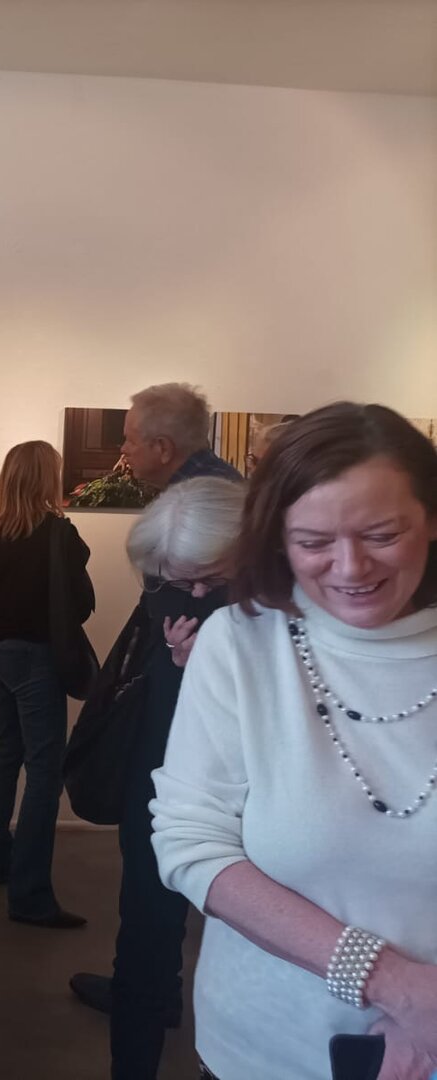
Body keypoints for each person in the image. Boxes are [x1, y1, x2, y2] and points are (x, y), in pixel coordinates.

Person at [151, 404, 437, 1080]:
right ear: (277, 540)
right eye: (313, 541)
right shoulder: (241, 644)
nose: (350, 567)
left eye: (381, 534)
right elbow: (192, 843)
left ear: (430, 518)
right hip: (262, 1052)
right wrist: (393, 984)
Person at [69, 477, 245, 1079]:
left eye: (210, 580)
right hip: (159, 785)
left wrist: (218, 674)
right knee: (145, 935)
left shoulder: (283, 613)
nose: (193, 594)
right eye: (175, 580)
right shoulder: (167, 592)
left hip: (247, 805)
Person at [0, 440, 95, 928]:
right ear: (46, 478)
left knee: (5, 753)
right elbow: (81, 603)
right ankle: (30, 895)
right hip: (34, 655)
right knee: (44, 770)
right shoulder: (58, 534)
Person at [120, 383, 242, 490]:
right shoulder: (218, 480)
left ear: (163, 448)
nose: (123, 449)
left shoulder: (197, 500)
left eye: (131, 441)